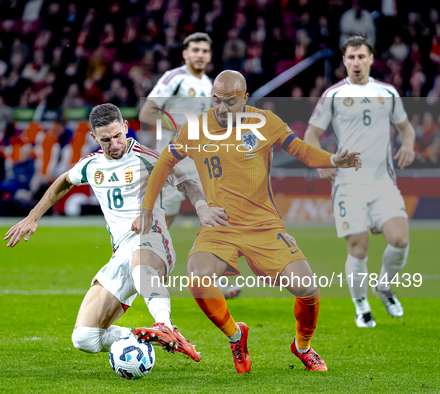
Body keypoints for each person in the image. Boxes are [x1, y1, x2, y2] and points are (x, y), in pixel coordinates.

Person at [140, 70, 362, 373]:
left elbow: (300, 151)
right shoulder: (195, 127)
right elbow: (165, 162)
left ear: (245, 98)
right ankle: (236, 336)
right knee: (197, 278)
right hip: (220, 227)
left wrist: (333, 159)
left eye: (230, 102)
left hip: (264, 226)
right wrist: (147, 208)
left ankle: (303, 346)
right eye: (216, 101)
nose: (221, 108)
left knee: (307, 288)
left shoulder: (264, 121)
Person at [4, 103, 229, 361]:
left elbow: (186, 182)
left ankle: (165, 325)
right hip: (120, 252)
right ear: (94, 138)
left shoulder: (147, 158)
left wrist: (202, 208)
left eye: (118, 135)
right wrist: (33, 217)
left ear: (125, 127)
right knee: (85, 338)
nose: (114, 144)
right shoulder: (91, 165)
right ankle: (141, 337)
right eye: (106, 140)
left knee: (140, 268)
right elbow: (64, 180)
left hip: (152, 240)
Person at [304, 36, 415, 328]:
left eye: (360, 57)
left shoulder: (388, 92)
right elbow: (311, 135)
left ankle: (384, 286)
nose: (355, 62)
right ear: (344, 61)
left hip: (383, 183)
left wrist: (408, 145)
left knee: (400, 240)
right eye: (350, 57)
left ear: (370, 59)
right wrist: (322, 161)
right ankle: (360, 304)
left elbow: (406, 129)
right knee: (358, 247)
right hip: (348, 184)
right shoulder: (333, 95)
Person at [140, 33, 242, 299]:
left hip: (204, 162)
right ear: (185, 53)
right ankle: (147, 272)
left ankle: (216, 278)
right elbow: (146, 112)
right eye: (195, 49)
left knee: (217, 216)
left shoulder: (211, 84)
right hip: (173, 162)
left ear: (210, 56)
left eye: (205, 51)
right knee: (163, 221)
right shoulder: (174, 78)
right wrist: (180, 128)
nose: (200, 55)